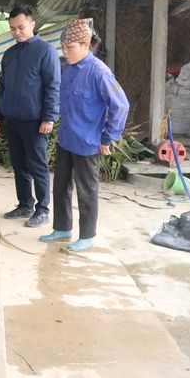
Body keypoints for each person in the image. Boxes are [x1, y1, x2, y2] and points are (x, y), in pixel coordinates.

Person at [40, 18, 129, 251]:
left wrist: (107, 137)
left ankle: (87, 235)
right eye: (63, 47)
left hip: (89, 143)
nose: (65, 52)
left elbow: (120, 105)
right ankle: (62, 228)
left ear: (85, 44)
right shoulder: (68, 68)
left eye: (70, 48)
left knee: (86, 190)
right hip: (67, 139)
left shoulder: (99, 72)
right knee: (60, 186)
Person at [0, 5, 61, 228]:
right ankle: (24, 204)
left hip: (36, 122)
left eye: (21, 27)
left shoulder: (45, 50)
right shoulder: (9, 54)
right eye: (13, 28)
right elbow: (3, 87)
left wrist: (49, 118)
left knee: (37, 166)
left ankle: (42, 209)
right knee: (19, 165)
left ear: (32, 24)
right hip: (14, 120)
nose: (17, 32)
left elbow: (53, 86)